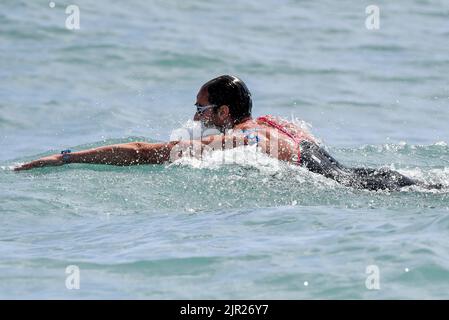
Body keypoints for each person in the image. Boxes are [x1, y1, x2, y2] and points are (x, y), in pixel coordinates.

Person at [14, 75, 436, 191]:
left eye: (201, 109)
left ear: (224, 111)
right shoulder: (276, 123)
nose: (196, 117)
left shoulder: (245, 138)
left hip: (360, 189)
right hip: (362, 175)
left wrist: (66, 157)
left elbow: (148, 151)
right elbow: (305, 142)